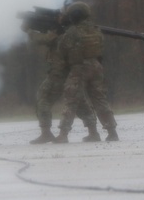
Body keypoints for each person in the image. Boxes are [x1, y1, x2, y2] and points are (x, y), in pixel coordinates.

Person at [22, 9, 99, 144]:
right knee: (80, 103)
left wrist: (29, 31)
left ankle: (46, 132)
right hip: (71, 72)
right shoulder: (73, 30)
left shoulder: (63, 31)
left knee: (43, 98)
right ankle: (93, 132)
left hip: (59, 73)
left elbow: (45, 39)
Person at [54, 1, 119, 143]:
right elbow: (100, 49)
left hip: (79, 68)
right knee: (100, 100)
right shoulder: (96, 30)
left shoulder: (72, 32)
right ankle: (112, 132)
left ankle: (63, 134)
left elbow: (61, 51)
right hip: (96, 66)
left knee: (71, 100)